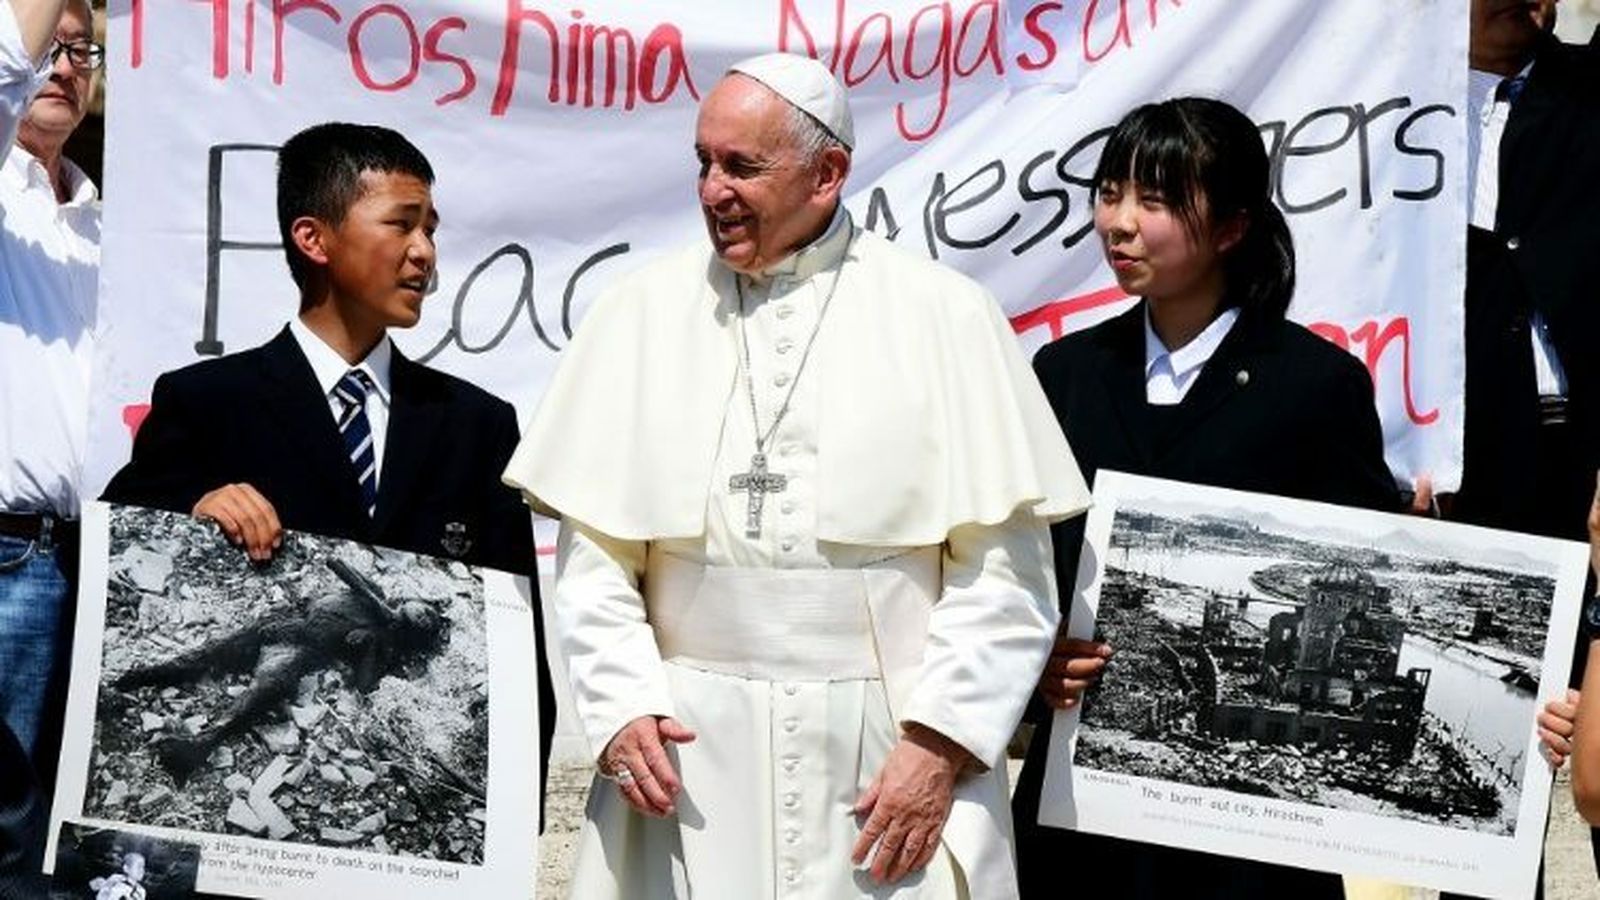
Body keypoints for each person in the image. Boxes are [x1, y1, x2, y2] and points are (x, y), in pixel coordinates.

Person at [503, 52, 1089, 899]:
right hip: (688, 751)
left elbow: (1004, 576)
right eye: (703, 163)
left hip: (887, 749)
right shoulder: (639, 313)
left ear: (828, 174)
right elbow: (594, 558)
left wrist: (939, 744)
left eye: (741, 166)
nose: (712, 189)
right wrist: (623, 705)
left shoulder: (945, 315)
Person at [1011, 96, 1402, 899]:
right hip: (1080, 804)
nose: (1118, 222)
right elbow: (1021, 568)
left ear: (1231, 227)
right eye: (1110, 192)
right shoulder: (1066, 374)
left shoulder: (1316, 385)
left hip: (1242, 837)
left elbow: (1371, 580)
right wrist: (1034, 663)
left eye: (1153, 201)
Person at [99, 122, 555, 801]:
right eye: (402, 225)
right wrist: (196, 505)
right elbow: (115, 556)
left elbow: (518, 644)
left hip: (401, 818)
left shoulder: (477, 426)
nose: (424, 253)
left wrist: (516, 808)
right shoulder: (208, 403)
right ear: (312, 238)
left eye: (431, 229)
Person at [0, 0, 100, 798]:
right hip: (7, 558)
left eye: (85, 52)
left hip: (99, 558)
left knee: (63, 827)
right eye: (53, 49)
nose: (65, 67)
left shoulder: (109, 222)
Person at [114, 559, 448, 782]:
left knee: (268, 690)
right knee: (209, 653)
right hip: (284, 622)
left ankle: (199, 745)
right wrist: (377, 605)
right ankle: (145, 676)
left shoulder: (383, 644)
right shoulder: (373, 590)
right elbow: (337, 564)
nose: (396, 618)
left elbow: (363, 685)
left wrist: (370, 644)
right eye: (401, 612)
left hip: (300, 650)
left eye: (402, 623)